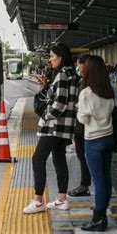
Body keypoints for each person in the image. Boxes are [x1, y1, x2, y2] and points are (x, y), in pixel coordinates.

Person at [23, 43, 77, 214]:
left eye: (53, 56)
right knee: (59, 160)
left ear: (60, 57)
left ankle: (38, 200)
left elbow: (59, 104)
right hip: (65, 127)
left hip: (54, 126)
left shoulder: (61, 75)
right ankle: (61, 199)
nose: (50, 59)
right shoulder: (71, 74)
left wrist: (45, 115)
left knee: (38, 158)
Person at [77, 55, 115, 231]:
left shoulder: (86, 93)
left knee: (98, 181)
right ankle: (103, 216)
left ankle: (98, 217)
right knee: (106, 178)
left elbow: (83, 119)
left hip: (93, 140)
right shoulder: (108, 91)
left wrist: (79, 109)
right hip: (108, 137)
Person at [67, 54, 91, 197]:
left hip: (84, 127)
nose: (77, 67)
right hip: (83, 128)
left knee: (84, 157)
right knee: (83, 157)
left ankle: (84, 185)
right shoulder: (84, 81)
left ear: (84, 65)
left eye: (79, 64)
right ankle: (84, 184)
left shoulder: (87, 84)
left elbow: (83, 108)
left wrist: (77, 107)